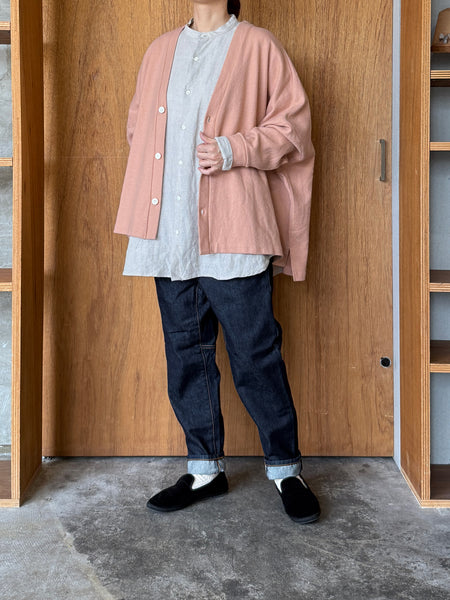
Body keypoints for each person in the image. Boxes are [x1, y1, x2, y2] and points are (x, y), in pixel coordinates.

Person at [114, 0, 320, 523]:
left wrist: (234, 149)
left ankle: (286, 469)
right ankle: (205, 468)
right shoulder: (160, 50)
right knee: (187, 354)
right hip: (170, 231)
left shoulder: (258, 45)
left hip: (235, 229)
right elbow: (138, 129)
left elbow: (293, 127)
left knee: (256, 354)